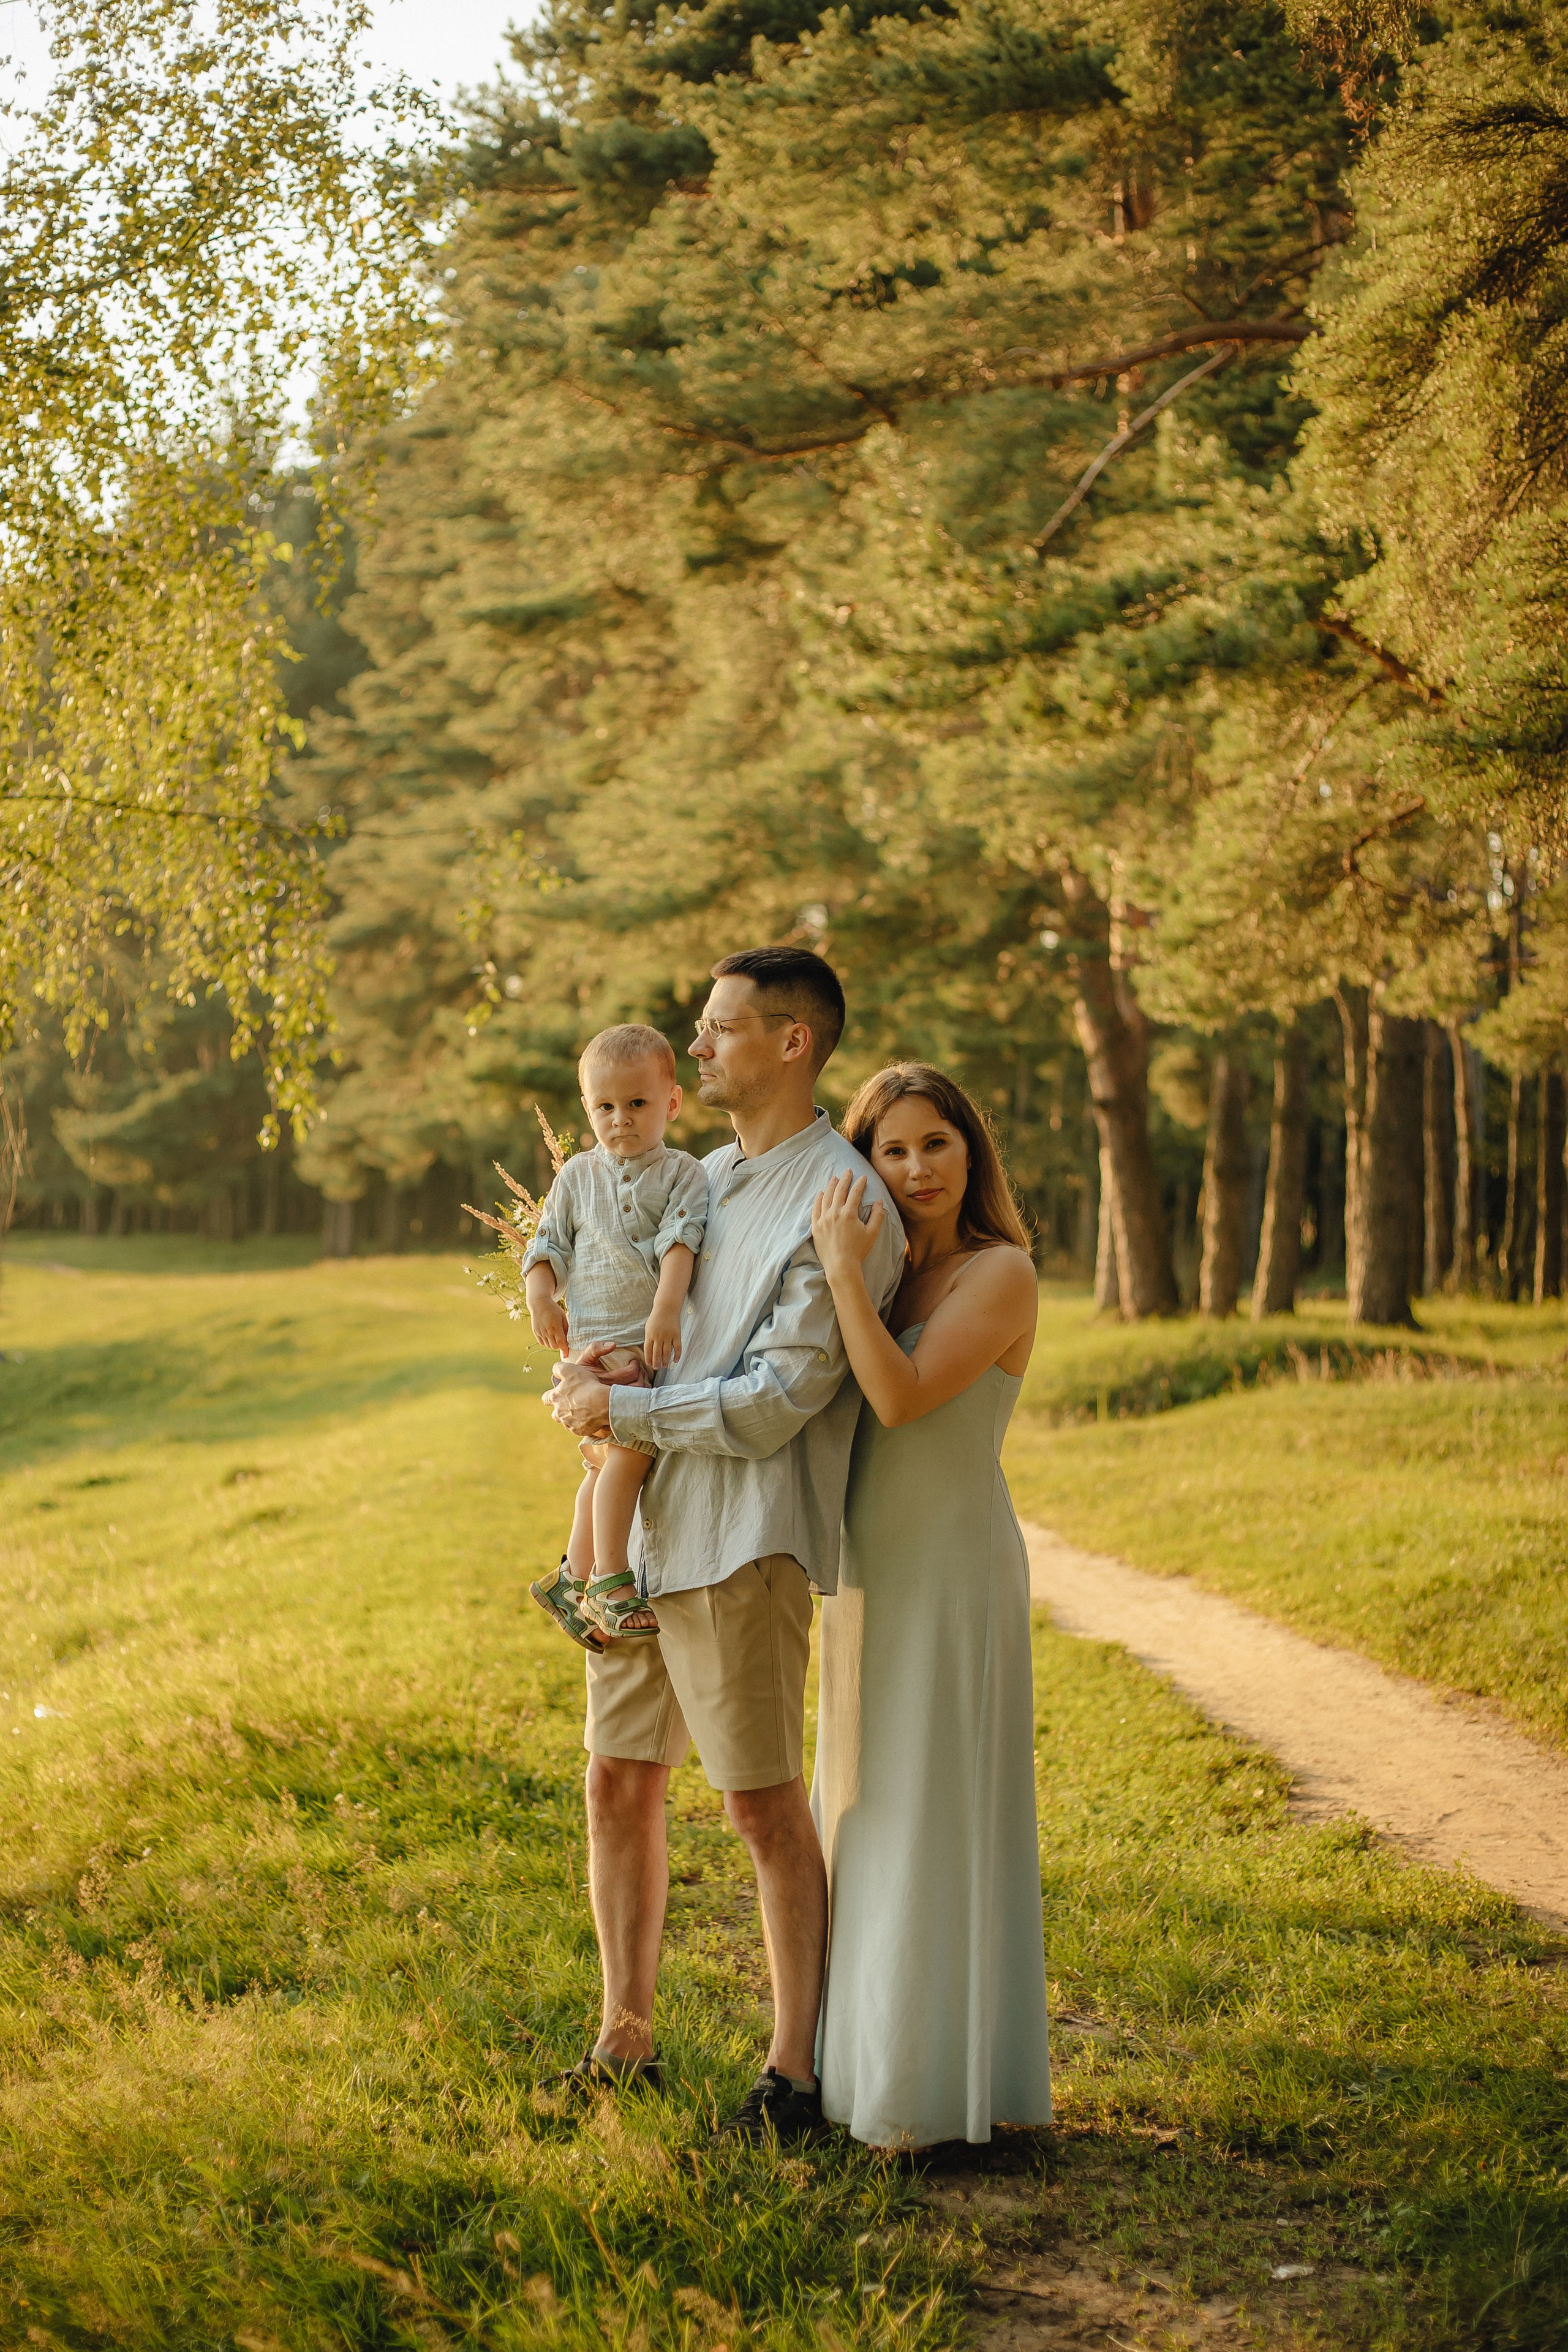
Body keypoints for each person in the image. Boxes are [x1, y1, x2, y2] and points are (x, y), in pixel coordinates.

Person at [545, 948, 905, 2139]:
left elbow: (772, 1400)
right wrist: (586, 1369)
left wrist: (626, 1413)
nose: (695, 1049)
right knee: (615, 1780)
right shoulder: (694, 1173)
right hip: (647, 1530)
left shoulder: (839, 1200)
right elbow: (625, 1296)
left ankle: (792, 2073)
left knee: (759, 1808)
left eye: (718, 1029)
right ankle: (624, 2038)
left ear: (789, 1042)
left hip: (744, 1540)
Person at [809, 1061, 1051, 2149]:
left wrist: (842, 1275)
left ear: (971, 1150)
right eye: (890, 1150)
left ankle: (948, 2090)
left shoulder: (999, 1274)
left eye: (935, 1145)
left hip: (953, 1576)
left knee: (937, 1812)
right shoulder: (883, 1272)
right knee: (862, 1815)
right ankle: (863, 2081)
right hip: (864, 1576)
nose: (916, 1170)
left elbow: (900, 1402)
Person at [522, 1026, 709, 1643]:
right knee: (624, 1458)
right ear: (587, 1109)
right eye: (605, 1107)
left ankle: (571, 1578)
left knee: (607, 1468)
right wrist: (542, 1298)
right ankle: (610, 1580)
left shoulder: (681, 1174)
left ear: (671, 1104)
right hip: (595, 1351)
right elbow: (547, 1245)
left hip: (645, 1341)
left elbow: (680, 1241)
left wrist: (665, 1309)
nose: (620, 1120)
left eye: (637, 1104)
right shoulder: (576, 1176)